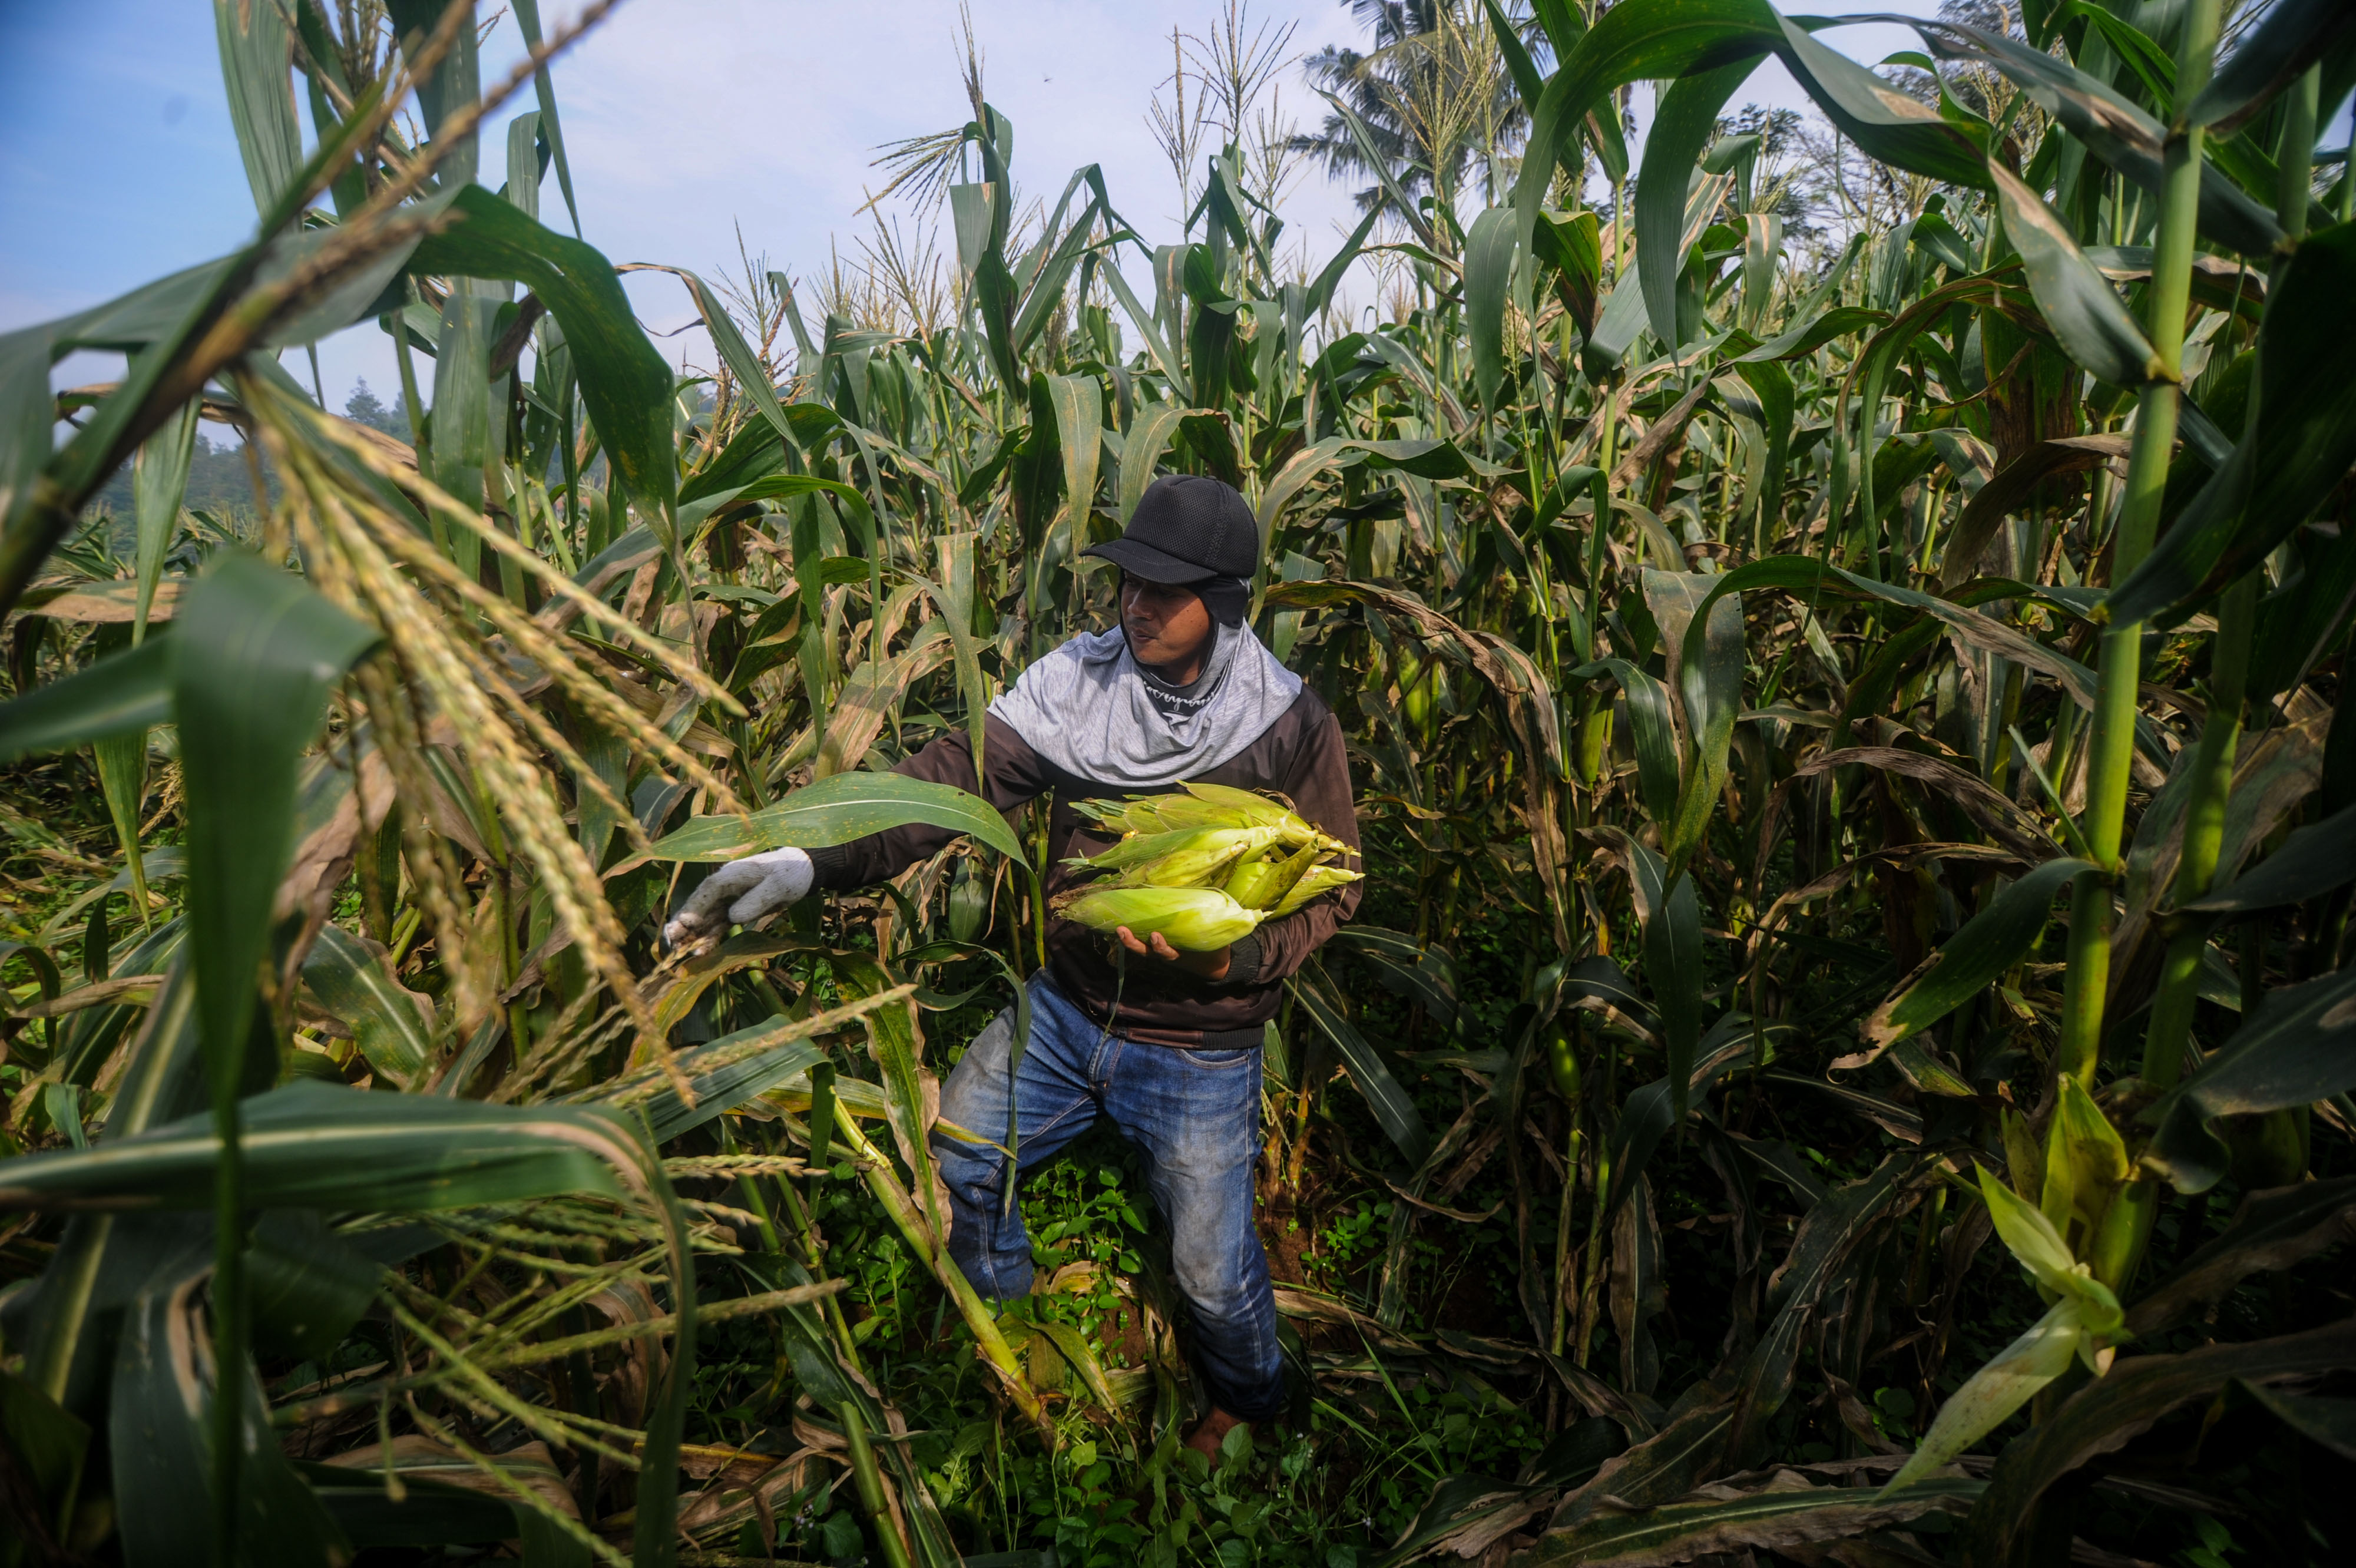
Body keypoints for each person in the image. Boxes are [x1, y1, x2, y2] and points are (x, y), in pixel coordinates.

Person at [664, 474, 1361, 1461]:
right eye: (1129, 582)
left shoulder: (1288, 722)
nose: (1137, 605)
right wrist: (809, 858)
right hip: (1067, 1011)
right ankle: (1012, 1316)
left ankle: (1251, 1398)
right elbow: (948, 782)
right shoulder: (1076, 687)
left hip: (1202, 1042)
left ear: (1225, 603)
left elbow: (1336, 886)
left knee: (1210, 1272)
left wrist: (1235, 957)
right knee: (957, 1151)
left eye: (1166, 591)